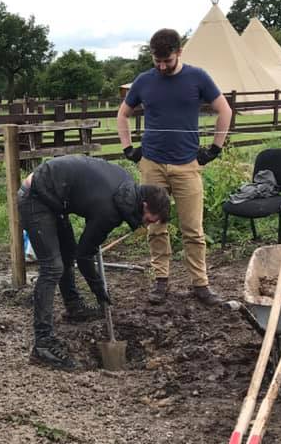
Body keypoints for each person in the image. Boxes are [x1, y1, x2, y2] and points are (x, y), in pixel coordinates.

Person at [18, 155, 171, 371]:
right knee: (52, 267)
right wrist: (99, 289)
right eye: (148, 220)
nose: (146, 225)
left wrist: (97, 286)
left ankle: (74, 307)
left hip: (54, 197)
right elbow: (85, 256)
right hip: (36, 196)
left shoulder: (125, 185)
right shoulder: (110, 210)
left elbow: (82, 251)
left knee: (67, 253)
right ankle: (43, 343)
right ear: (144, 205)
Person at [116, 28, 233, 307]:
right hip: (152, 164)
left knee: (193, 228)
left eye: (167, 61)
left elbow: (225, 110)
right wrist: (128, 149)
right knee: (156, 225)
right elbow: (122, 114)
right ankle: (161, 281)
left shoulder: (198, 77)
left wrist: (215, 149)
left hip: (187, 165)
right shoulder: (144, 81)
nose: (161, 66)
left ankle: (200, 285)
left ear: (179, 52)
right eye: (157, 61)